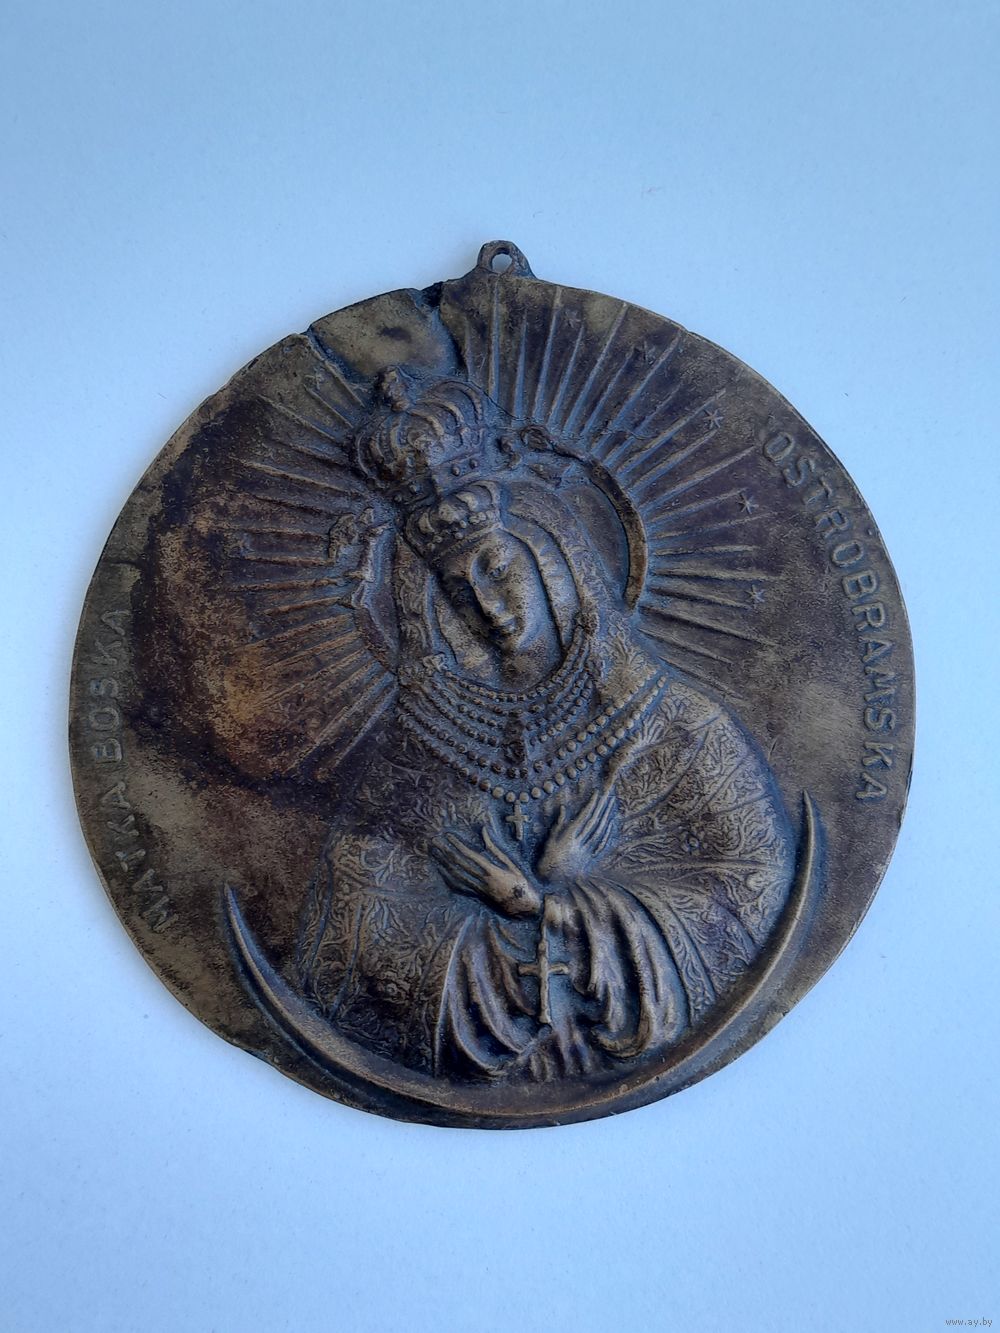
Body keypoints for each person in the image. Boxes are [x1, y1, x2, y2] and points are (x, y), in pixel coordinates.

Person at [294, 373, 795, 1083]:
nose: (485, 604)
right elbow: (350, 948)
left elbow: (746, 900)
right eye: (455, 589)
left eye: (499, 568)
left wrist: (555, 902)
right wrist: (508, 908)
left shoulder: (678, 726)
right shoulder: (422, 749)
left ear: (558, 560)